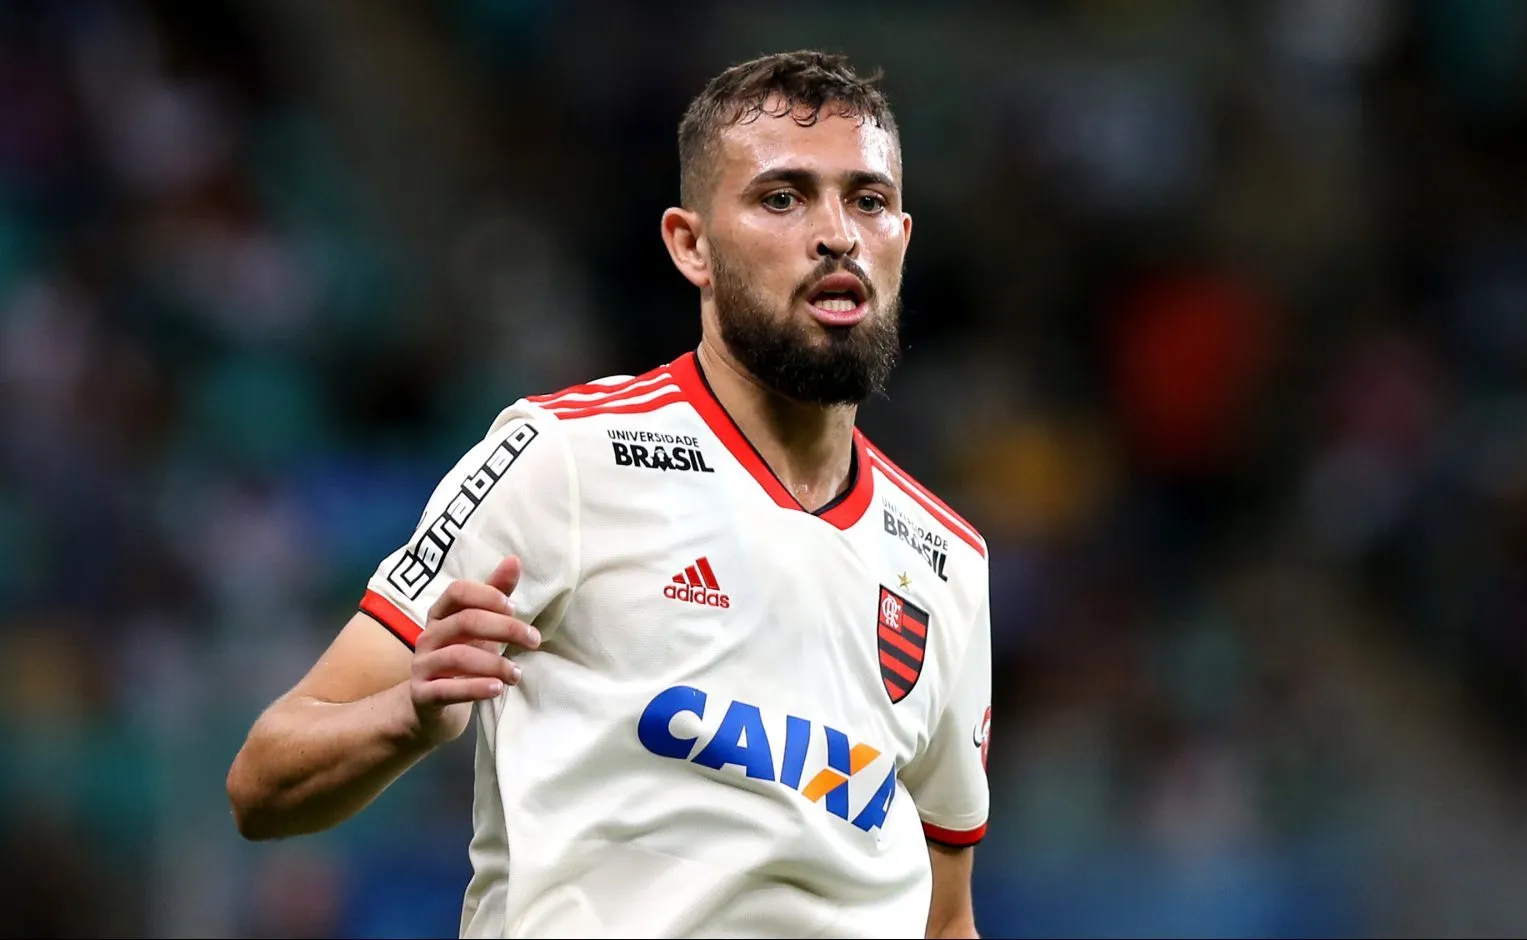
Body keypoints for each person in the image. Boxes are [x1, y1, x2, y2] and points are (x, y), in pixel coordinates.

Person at [226, 49, 992, 940]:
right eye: (782, 198)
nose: (837, 234)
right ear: (690, 245)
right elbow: (262, 781)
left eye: (866, 200)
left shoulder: (947, 561)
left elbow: (946, 920)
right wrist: (408, 713)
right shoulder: (565, 459)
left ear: (901, 236)